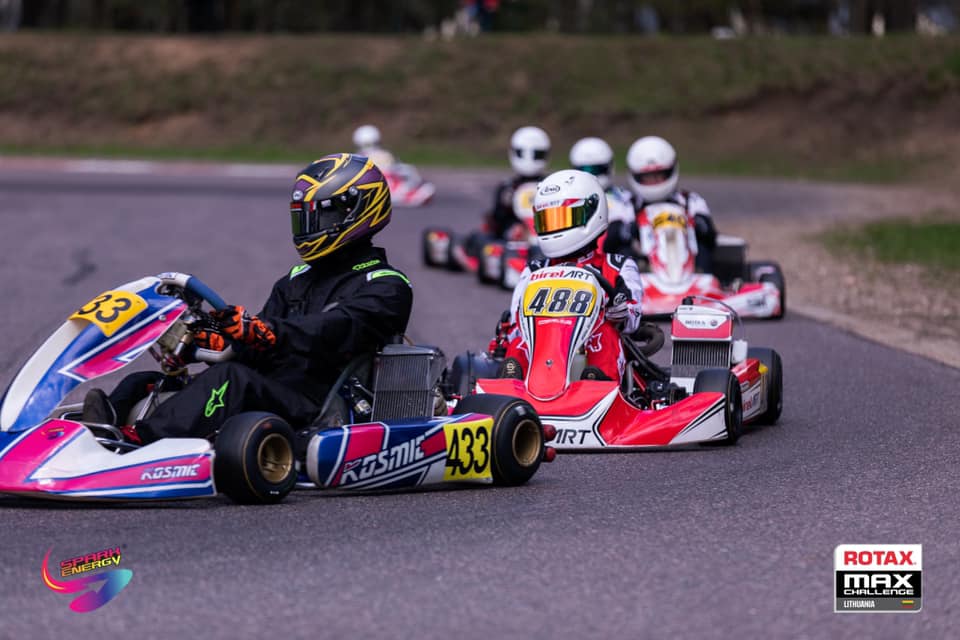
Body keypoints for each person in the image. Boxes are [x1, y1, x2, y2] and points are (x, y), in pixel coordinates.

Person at [82, 153, 413, 444]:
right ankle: (99, 429)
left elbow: (336, 329)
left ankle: (139, 443)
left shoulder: (386, 286)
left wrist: (269, 330)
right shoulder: (295, 281)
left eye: (319, 216)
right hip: (273, 389)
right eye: (304, 217)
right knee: (149, 382)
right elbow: (263, 347)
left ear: (353, 212)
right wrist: (218, 342)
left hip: (321, 406)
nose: (308, 227)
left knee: (231, 380)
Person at [497, 169, 644, 383]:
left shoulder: (618, 266)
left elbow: (633, 319)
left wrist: (620, 312)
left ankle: (596, 384)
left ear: (592, 214)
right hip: (543, 344)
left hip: (589, 345)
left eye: (563, 218)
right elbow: (516, 321)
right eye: (548, 221)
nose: (554, 229)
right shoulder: (535, 270)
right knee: (520, 341)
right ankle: (511, 383)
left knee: (604, 334)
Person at [607, 136, 717, 273]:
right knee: (622, 250)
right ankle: (633, 281)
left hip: (688, 266)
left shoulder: (690, 201)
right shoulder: (625, 205)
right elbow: (609, 239)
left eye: (659, 175)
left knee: (703, 245)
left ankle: (702, 277)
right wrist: (629, 230)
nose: (654, 181)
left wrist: (696, 224)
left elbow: (711, 235)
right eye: (648, 177)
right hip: (645, 271)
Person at [569, 136, 636, 229]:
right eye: (585, 170)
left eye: (597, 169)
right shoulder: (570, 201)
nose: (592, 175)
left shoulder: (627, 200)